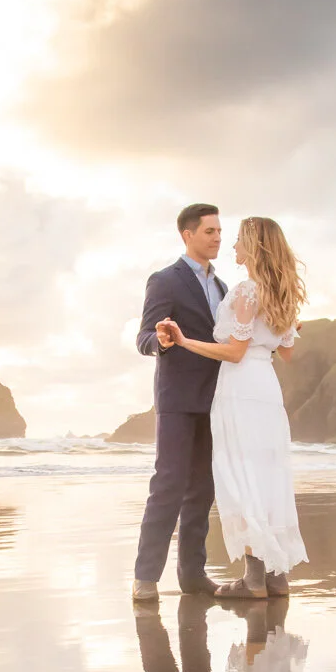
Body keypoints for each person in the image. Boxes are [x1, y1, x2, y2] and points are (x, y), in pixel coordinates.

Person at [156, 216, 308, 599]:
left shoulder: (245, 290)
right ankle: (276, 577)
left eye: (239, 240)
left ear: (254, 248)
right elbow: (286, 351)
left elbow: (235, 352)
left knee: (242, 474)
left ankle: (253, 580)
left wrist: (185, 341)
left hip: (240, 388)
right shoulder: (281, 293)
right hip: (267, 388)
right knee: (267, 475)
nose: (232, 246)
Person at [131, 204, 229, 602]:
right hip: (176, 399)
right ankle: (145, 578)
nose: (218, 237)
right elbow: (143, 338)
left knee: (202, 490)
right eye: (209, 231)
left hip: (217, 399)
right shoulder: (164, 280)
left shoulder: (223, 287)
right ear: (187, 235)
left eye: (220, 230)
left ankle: (193, 575)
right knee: (168, 485)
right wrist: (162, 340)